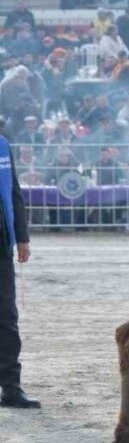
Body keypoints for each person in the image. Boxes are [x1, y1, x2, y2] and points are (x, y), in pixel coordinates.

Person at [0, 129, 38, 408]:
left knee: (6, 318)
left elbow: (13, 192)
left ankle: (11, 388)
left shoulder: (2, 145)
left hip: (2, 243)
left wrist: (22, 236)